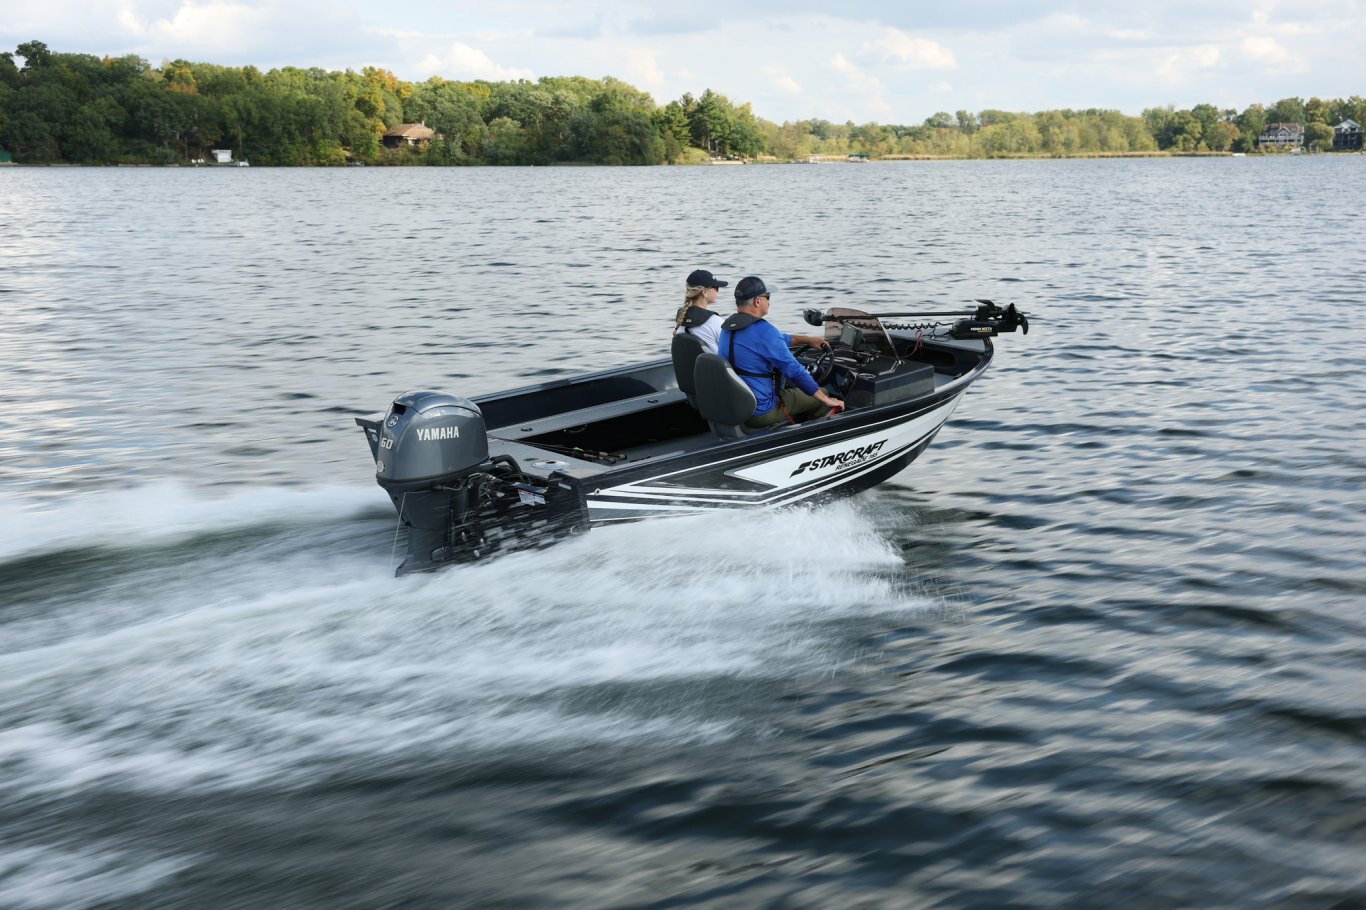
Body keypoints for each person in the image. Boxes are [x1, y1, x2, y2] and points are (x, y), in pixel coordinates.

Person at [717, 276, 845, 428]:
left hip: (736, 404)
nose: (769, 301)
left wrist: (807, 340)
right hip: (760, 411)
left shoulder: (728, 328)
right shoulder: (764, 331)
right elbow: (795, 371)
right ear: (758, 301)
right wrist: (826, 399)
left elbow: (778, 339)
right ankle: (817, 436)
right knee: (822, 393)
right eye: (768, 297)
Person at [674, 269, 728, 354]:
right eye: (716, 288)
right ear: (704, 292)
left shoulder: (681, 319)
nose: (718, 291)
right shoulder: (715, 322)